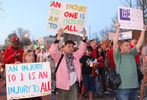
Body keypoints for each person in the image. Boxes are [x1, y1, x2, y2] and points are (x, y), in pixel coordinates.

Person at [50, 28, 87, 100]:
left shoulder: (75, 56)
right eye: (69, 46)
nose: (71, 48)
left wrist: (83, 37)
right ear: (63, 48)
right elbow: (53, 51)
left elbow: (82, 49)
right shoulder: (59, 56)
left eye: (72, 46)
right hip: (62, 85)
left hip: (73, 84)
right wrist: (58, 37)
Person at [113, 22, 146, 100]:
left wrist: (143, 31)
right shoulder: (118, 55)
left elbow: (139, 43)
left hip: (134, 87)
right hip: (123, 88)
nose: (129, 47)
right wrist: (117, 29)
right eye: (126, 45)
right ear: (121, 46)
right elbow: (115, 42)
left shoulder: (132, 53)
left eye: (129, 45)